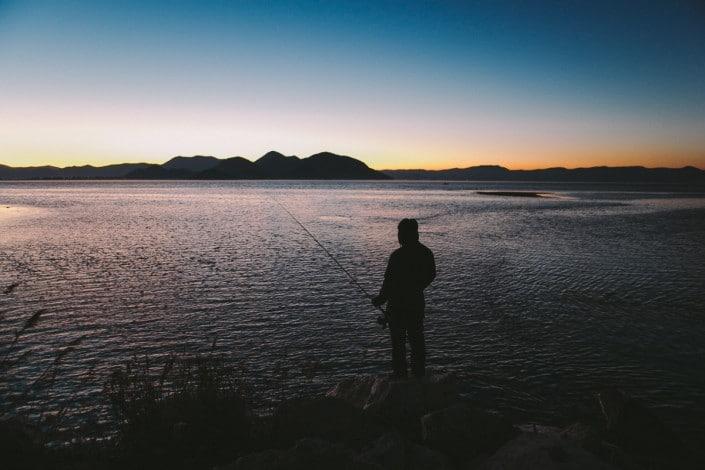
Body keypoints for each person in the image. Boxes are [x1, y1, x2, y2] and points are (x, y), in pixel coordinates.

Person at [372, 218, 436, 379]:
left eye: (400, 233)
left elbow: (388, 282)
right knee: (417, 342)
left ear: (407, 234)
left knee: (398, 345)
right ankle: (418, 375)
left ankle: (401, 377)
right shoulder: (426, 253)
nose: (398, 236)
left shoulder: (397, 256)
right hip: (416, 304)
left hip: (397, 307)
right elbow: (431, 275)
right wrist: (417, 287)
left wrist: (380, 299)